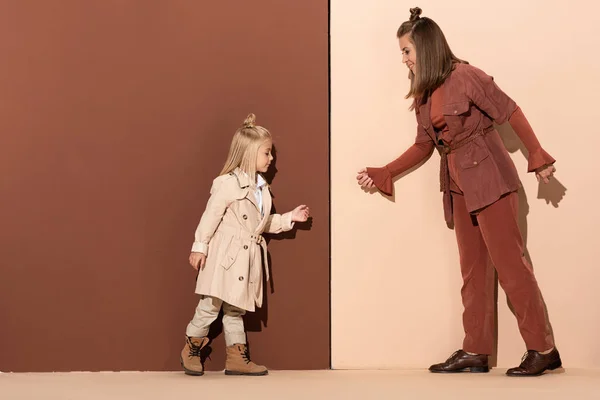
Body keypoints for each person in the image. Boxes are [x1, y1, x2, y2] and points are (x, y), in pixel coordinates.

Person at [357, 7, 561, 377]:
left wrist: (536, 154)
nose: (403, 59)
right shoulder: (423, 94)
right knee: (473, 272)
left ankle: (543, 348)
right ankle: (475, 350)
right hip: (457, 186)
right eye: (401, 52)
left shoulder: (466, 76)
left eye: (407, 51)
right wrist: (385, 171)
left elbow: (509, 110)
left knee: (511, 266)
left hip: (491, 180)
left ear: (426, 47)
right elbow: (423, 146)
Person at [181, 113, 310, 376]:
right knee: (211, 305)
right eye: (266, 153)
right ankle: (191, 347)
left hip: (248, 257)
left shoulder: (262, 188)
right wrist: (199, 247)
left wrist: (289, 218)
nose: (271, 159)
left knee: (235, 309)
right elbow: (210, 216)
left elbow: (260, 225)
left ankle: (236, 358)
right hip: (225, 256)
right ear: (249, 154)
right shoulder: (227, 184)